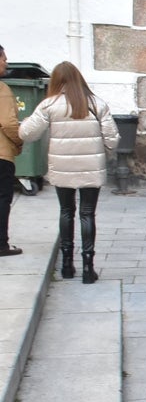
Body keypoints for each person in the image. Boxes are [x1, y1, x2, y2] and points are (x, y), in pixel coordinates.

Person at [19, 61, 118, 283]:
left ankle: (66, 266)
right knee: (87, 213)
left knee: (66, 211)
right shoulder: (96, 104)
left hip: (62, 167)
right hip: (91, 167)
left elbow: (27, 133)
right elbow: (112, 139)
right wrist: (104, 151)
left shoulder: (49, 105)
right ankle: (88, 268)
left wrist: (25, 120)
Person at [0, 44, 21, 257]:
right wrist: (19, 142)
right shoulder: (2, 89)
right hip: (1, 154)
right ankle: (1, 244)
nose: (6, 62)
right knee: (2, 198)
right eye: (3, 58)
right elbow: (8, 123)